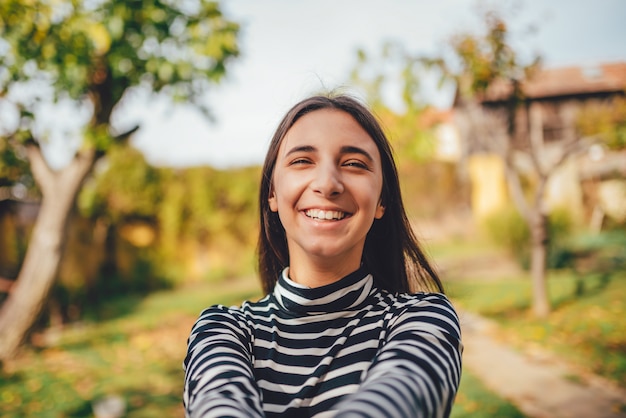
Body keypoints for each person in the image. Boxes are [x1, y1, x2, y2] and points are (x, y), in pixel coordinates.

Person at [183, 94, 463, 418]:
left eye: (354, 164)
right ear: (272, 192)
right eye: (302, 161)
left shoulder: (425, 320)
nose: (328, 184)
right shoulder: (221, 330)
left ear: (381, 200)